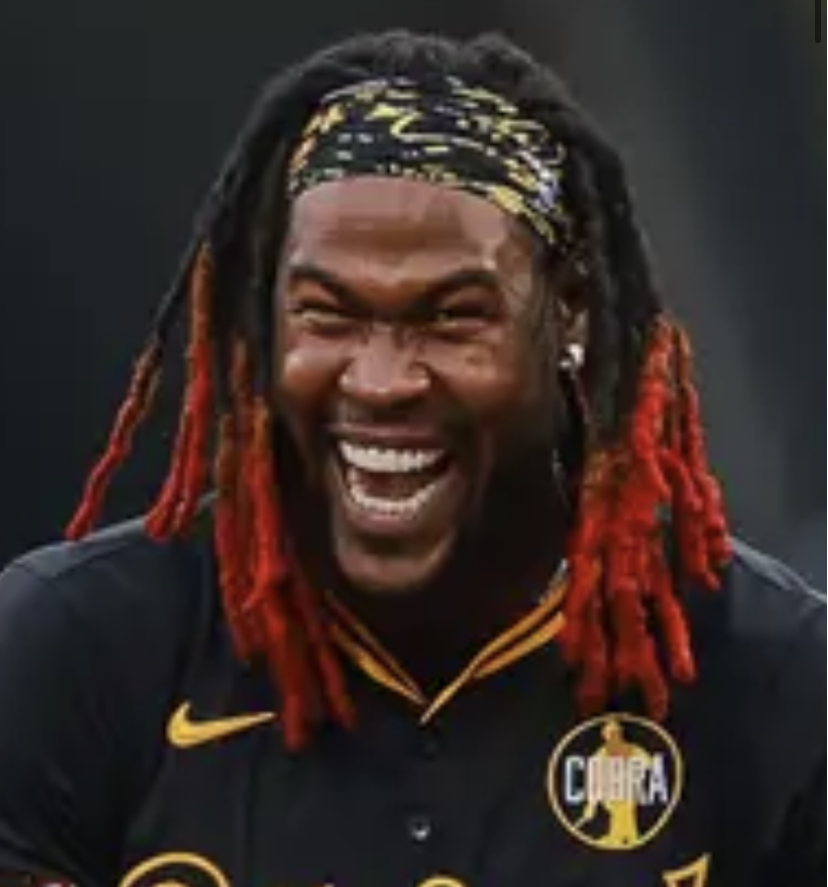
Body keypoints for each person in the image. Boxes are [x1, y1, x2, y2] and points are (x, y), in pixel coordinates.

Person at [0, 29, 824, 887]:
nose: (382, 380)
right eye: (328, 313)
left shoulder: (775, 680)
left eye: (452, 317)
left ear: (569, 314)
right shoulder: (78, 654)